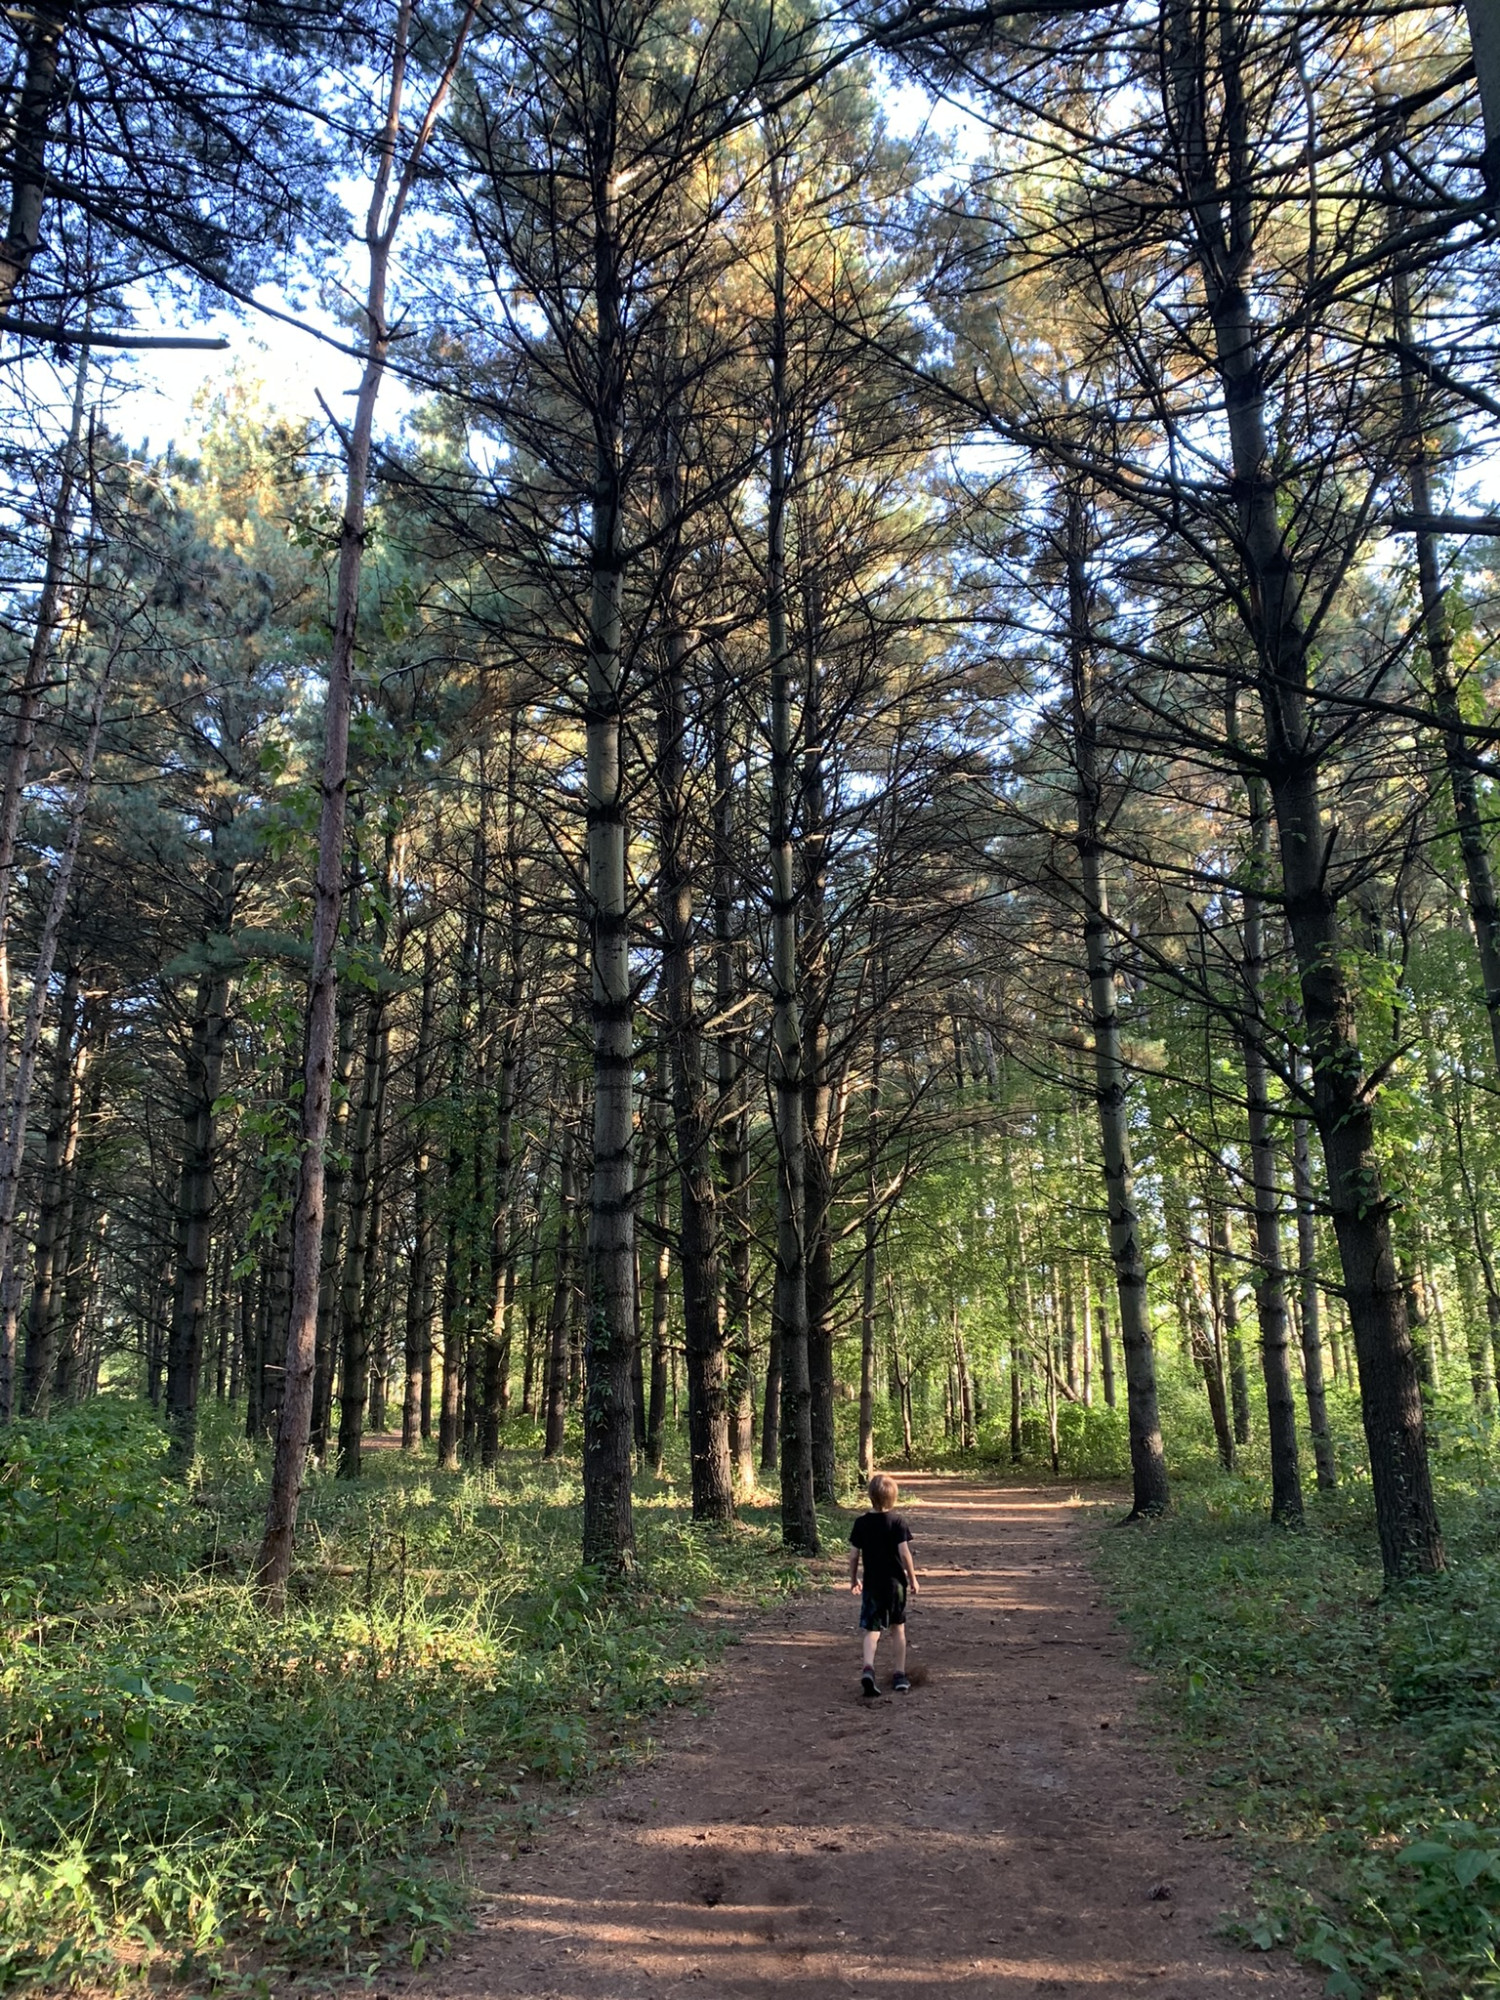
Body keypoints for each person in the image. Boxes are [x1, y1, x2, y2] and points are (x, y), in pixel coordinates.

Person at [848, 1471, 918, 1697]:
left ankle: (868, 1668)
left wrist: (852, 1579)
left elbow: (853, 1555)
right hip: (895, 1585)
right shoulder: (897, 1522)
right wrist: (913, 1578)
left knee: (872, 1629)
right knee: (898, 1628)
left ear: (870, 1497)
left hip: (872, 1585)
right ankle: (899, 1675)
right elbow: (904, 1553)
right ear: (894, 1498)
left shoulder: (861, 1523)